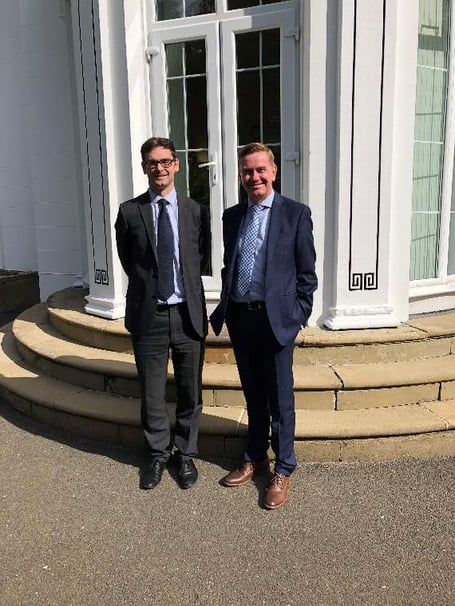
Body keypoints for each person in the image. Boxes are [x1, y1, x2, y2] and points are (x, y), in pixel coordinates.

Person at [210, 142, 317, 510]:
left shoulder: (295, 214)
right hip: (242, 318)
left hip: (277, 321)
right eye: (247, 171)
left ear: (273, 172)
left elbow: (307, 274)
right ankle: (255, 457)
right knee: (254, 394)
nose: (253, 177)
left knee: (280, 399)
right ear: (241, 176)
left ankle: (283, 468)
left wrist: (298, 315)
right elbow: (230, 264)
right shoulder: (232, 216)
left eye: (260, 170)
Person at [115, 137, 210, 490]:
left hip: (187, 314)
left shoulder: (195, 211)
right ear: (144, 167)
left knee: (190, 390)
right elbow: (129, 260)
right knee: (152, 392)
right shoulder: (129, 212)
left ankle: (184, 454)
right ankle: (157, 454)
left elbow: (200, 257)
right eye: (152, 162)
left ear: (176, 165)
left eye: (166, 161)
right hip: (149, 315)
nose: (160, 168)